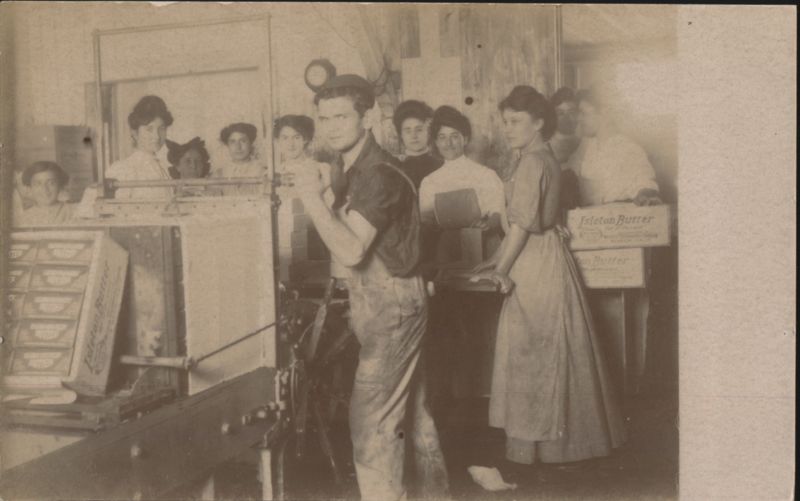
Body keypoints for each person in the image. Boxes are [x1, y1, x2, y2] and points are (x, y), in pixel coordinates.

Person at [292, 74, 449, 501]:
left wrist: (309, 197)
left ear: (369, 116)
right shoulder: (353, 168)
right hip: (389, 301)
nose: (331, 126)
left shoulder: (378, 173)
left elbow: (351, 249)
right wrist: (327, 193)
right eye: (323, 118)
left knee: (371, 424)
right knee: (414, 416)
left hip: (392, 304)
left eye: (342, 116)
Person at [473, 85, 626, 470]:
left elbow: (524, 225)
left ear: (539, 122)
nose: (508, 129)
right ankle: (553, 447)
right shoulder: (542, 157)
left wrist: (500, 269)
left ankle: (539, 449)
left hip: (534, 263)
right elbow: (521, 225)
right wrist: (493, 258)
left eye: (516, 122)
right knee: (547, 351)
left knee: (534, 354)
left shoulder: (532, 162)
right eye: (504, 122)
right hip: (544, 258)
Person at [567, 87, 661, 207]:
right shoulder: (587, 145)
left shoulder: (629, 148)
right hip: (588, 219)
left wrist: (645, 195)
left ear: (605, 112)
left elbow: (645, 184)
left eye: (583, 113)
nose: (579, 118)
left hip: (617, 219)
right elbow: (569, 172)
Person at [418, 105, 506, 232]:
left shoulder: (486, 175)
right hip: (444, 246)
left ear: (464, 139)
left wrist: (487, 225)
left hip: (480, 242)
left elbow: (498, 213)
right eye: (442, 137)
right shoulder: (429, 182)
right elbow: (427, 222)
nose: (448, 143)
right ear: (436, 142)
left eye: (454, 136)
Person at [106, 95, 174, 200]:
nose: (156, 136)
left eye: (161, 128)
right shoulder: (123, 169)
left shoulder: (162, 168)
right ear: (135, 133)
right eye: (149, 129)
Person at [393, 100, 443, 189]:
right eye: (408, 131)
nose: (414, 136)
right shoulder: (396, 170)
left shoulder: (441, 166)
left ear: (428, 131)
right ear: (401, 135)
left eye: (419, 129)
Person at [549, 87, 581, 211]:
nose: (567, 118)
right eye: (560, 113)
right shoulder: (547, 145)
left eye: (572, 112)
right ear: (553, 116)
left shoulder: (585, 142)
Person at [211, 122, 264, 195]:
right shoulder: (219, 174)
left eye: (243, 141)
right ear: (227, 145)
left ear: (251, 143)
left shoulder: (261, 172)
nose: (238, 147)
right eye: (233, 142)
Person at [18, 161, 74, 226]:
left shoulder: (73, 211)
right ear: (30, 188)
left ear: (60, 186)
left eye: (51, 183)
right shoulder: (24, 217)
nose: (45, 189)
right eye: (38, 184)